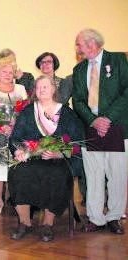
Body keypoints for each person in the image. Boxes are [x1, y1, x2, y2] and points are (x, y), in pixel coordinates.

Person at [8, 75, 83, 242]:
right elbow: (16, 138)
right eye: (38, 87)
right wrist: (19, 151)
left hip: (57, 161)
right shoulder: (28, 112)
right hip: (31, 159)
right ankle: (24, 222)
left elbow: (77, 142)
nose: (41, 90)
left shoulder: (67, 113)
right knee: (17, 172)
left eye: (45, 87)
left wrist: (59, 153)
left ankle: (48, 224)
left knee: (56, 175)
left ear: (53, 89)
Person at [72, 28, 128, 235]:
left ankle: (114, 217)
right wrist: (94, 120)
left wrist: (107, 118)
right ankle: (96, 218)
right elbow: (77, 100)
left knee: (117, 175)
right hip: (91, 128)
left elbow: (126, 91)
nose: (77, 48)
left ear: (92, 44)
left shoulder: (118, 60)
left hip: (117, 126)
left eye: (79, 44)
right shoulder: (79, 70)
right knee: (93, 174)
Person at [0, 57, 28, 215]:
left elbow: (25, 112)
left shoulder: (21, 89)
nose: (8, 75)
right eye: (4, 72)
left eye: (11, 72)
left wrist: (15, 127)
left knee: (16, 166)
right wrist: (1, 127)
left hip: (18, 133)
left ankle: (13, 198)